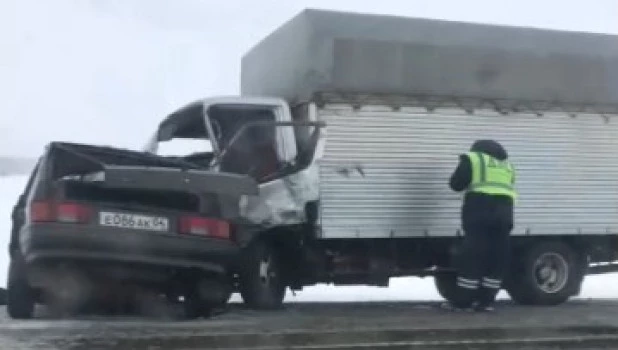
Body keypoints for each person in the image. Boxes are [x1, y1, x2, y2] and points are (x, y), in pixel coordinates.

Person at [446, 140, 517, 312]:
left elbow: (456, 184)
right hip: (505, 214)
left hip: (480, 212)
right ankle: (485, 301)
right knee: (496, 258)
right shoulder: (506, 164)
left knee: (473, 256)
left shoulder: (473, 159)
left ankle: (463, 302)